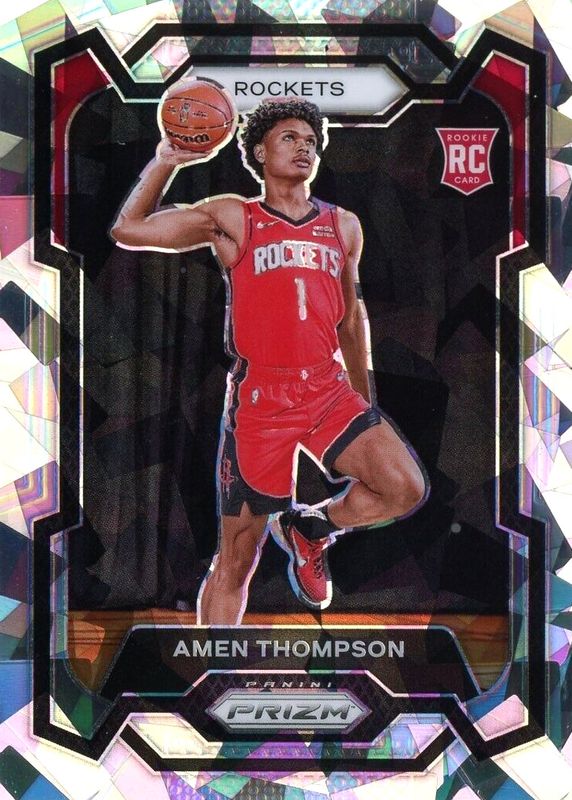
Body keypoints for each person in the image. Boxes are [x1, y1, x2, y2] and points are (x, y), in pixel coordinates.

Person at [111, 94, 428, 625]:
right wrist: (167, 160)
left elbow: (351, 319)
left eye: (311, 142)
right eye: (290, 138)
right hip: (261, 399)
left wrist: (363, 404)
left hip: (326, 388)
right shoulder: (234, 216)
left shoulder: (343, 225)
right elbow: (129, 229)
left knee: (404, 487)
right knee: (238, 558)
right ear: (259, 150)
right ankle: (215, 663)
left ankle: (312, 528)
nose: (305, 148)